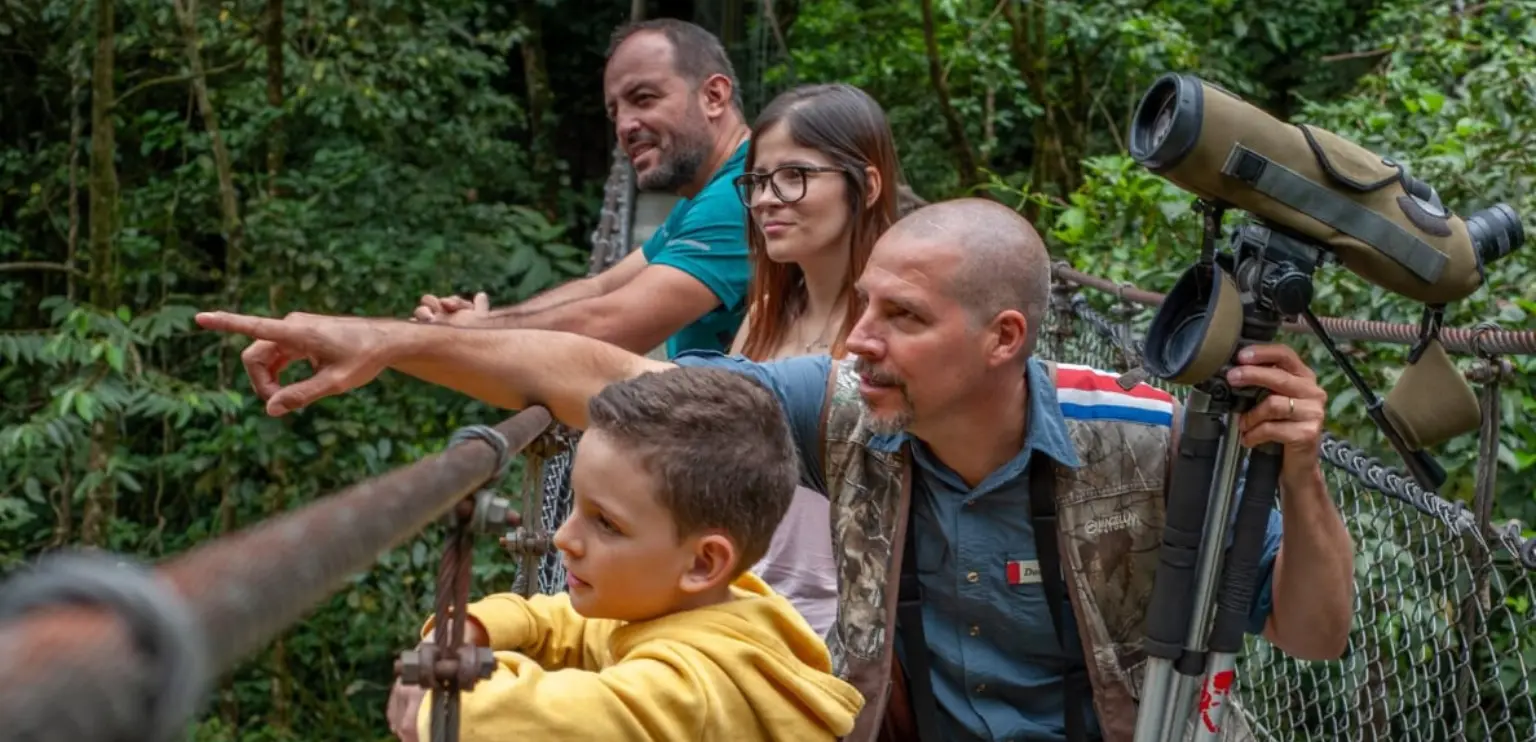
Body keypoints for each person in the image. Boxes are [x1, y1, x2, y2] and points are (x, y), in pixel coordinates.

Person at [196, 198, 1356, 742]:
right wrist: (388, 343)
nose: (858, 341)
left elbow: (1310, 633)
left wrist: (1298, 471)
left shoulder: (1147, 440)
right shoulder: (845, 408)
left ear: (1004, 340)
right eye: (863, 309)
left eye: (902, 318)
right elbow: (608, 377)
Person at [389, 367, 865, 741]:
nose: (562, 538)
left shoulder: (692, 689)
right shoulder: (727, 604)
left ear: (703, 563)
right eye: (575, 505)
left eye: (606, 524)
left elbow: (537, 721)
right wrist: (474, 627)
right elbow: (574, 623)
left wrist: (443, 686)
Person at [415, 18, 754, 360]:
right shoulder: (708, 193)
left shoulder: (746, 192)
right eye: (615, 113)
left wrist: (474, 333)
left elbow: (614, 324)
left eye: (644, 98)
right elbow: (601, 288)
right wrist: (482, 322)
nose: (624, 126)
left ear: (714, 96)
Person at [724, 82, 903, 639]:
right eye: (756, 181)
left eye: (794, 176)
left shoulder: (898, 329)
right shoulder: (764, 317)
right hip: (739, 608)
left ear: (866, 185)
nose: (765, 200)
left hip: (849, 632)